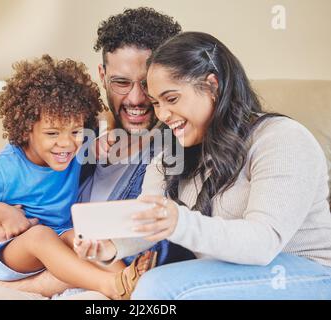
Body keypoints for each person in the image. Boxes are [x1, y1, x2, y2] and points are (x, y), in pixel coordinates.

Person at [0, 7, 190, 300]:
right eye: (121, 82)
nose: (135, 98)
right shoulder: (80, 136)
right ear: (102, 76)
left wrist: (2, 285)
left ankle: (119, 283)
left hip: (81, 268)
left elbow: (154, 251)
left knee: (76, 238)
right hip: (31, 252)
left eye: (146, 83)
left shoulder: (176, 156)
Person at [75, 32, 331, 299]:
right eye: (156, 103)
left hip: (307, 273)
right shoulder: (171, 154)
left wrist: (179, 222)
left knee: (158, 286)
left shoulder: (281, 138)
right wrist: (111, 247)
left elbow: (263, 244)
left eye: (171, 99)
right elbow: (147, 222)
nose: (162, 114)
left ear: (212, 86)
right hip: (229, 273)